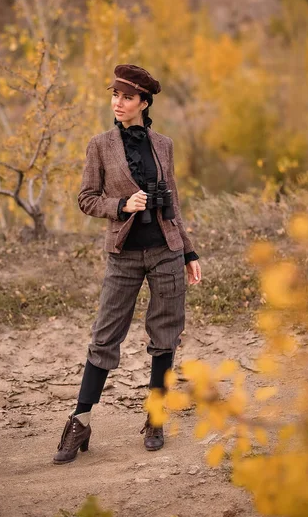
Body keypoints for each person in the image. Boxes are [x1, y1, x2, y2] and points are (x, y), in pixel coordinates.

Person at [53, 64, 202, 464]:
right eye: (114, 95)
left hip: (165, 251)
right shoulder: (100, 145)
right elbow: (86, 198)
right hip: (124, 255)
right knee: (104, 337)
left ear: (143, 102)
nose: (118, 103)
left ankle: (155, 417)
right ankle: (80, 421)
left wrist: (188, 252)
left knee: (165, 335)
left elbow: (173, 204)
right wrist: (121, 205)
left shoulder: (164, 144)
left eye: (127, 97)